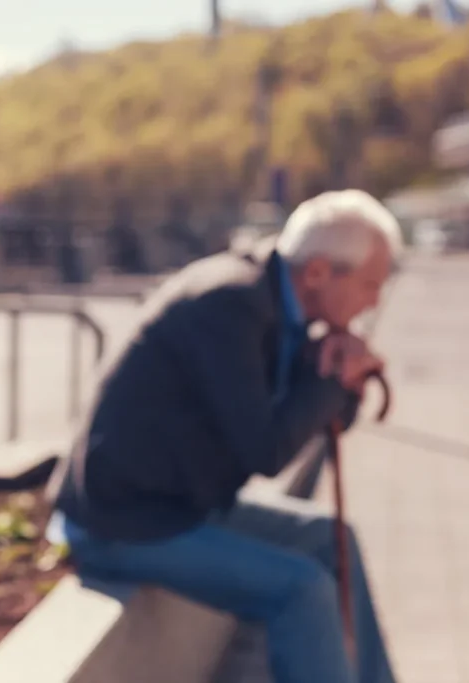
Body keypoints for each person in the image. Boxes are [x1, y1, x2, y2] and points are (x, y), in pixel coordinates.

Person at [48, 189, 404, 683]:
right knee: (302, 590)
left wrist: (335, 371)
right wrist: (332, 380)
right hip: (122, 521)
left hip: (184, 504)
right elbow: (266, 450)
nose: (375, 300)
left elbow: (327, 423)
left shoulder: (281, 302)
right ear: (319, 271)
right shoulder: (230, 303)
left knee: (332, 537)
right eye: (370, 283)